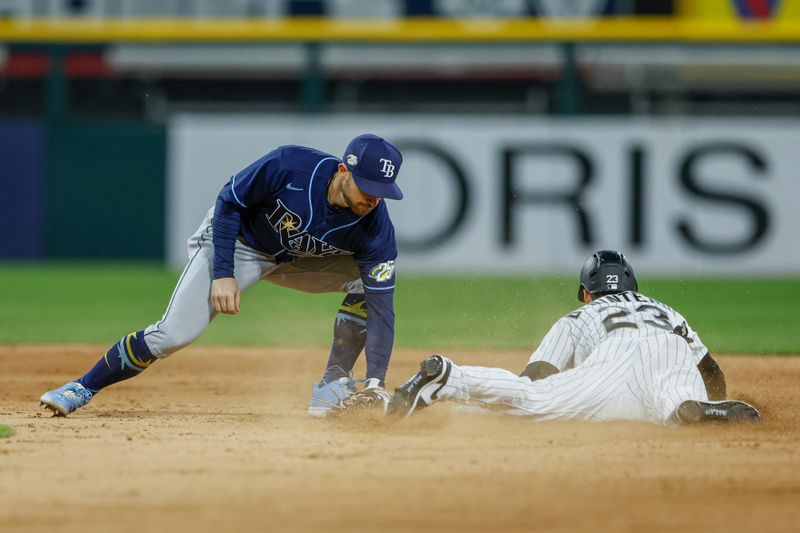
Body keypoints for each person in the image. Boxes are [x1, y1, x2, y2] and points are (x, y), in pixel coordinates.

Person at [40, 134, 403, 418]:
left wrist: (376, 382)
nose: (373, 198)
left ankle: (333, 383)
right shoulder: (290, 165)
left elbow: (382, 309)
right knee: (173, 334)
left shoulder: (376, 231)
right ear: (343, 171)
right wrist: (223, 273)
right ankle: (80, 388)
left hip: (294, 258)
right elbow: (230, 202)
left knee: (367, 284)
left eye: (381, 192)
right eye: (367, 186)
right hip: (237, 244)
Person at [387, 250, 761, 425]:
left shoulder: (579, 315)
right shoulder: (665, 309)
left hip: (610, 360)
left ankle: (450, 377)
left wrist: (504, 410)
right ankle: (696, 409)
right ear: (634, 287)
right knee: (675, 405)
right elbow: (710, 369)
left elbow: (534, 378)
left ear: (586, 291)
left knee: (532, 402)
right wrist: (715, 395)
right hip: (671, 347)